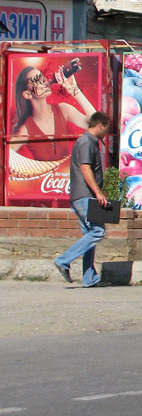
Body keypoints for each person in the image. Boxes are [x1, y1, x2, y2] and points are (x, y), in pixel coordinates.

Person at [53, 112, 112, 288]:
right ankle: (63, 260)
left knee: (89, 235)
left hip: (82, 196)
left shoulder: (87, 142)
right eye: (106, 128)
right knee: (97, 232)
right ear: (100, 125)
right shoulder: (86, 143)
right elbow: (85, 169)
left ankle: (89, 279)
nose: (106, 133)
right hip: (84, 196)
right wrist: (98, 192)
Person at [10, 64, 97, 160]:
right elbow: (5, 156)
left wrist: (75, 91)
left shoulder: (63, 110)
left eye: (43, 77)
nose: (45, 81)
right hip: (44, 174)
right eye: (37, 80)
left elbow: (97, 124)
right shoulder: (25, 130)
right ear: (27, 94)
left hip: (67, 174)